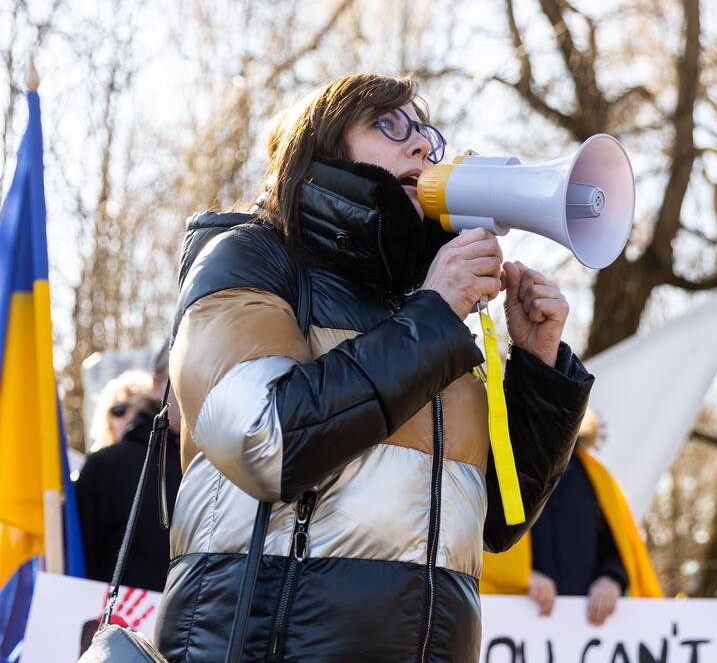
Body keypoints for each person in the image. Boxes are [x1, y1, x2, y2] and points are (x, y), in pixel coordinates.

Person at [153, 73, 594, 662]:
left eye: (426, 134)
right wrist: (433, 317)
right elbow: (264, 440)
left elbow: (499, 519)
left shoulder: (424, 308)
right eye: (390, 124)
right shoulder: (248, 257)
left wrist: (538, 367)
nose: (420, 146)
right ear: (323, 146)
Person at [480, 410, 662, 625]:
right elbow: (476, 542)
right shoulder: (499, 470)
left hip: (583, 631)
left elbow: (615, 549)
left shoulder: (597, 479)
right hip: (516, 623)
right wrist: (525, 577)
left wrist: (610, 578)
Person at [75, 355, 183, 592]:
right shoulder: (102, 468)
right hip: (132, 617)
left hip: (135, 617)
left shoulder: (203, 467)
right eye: (117, 409)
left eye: (132, 407)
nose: (125, 417)